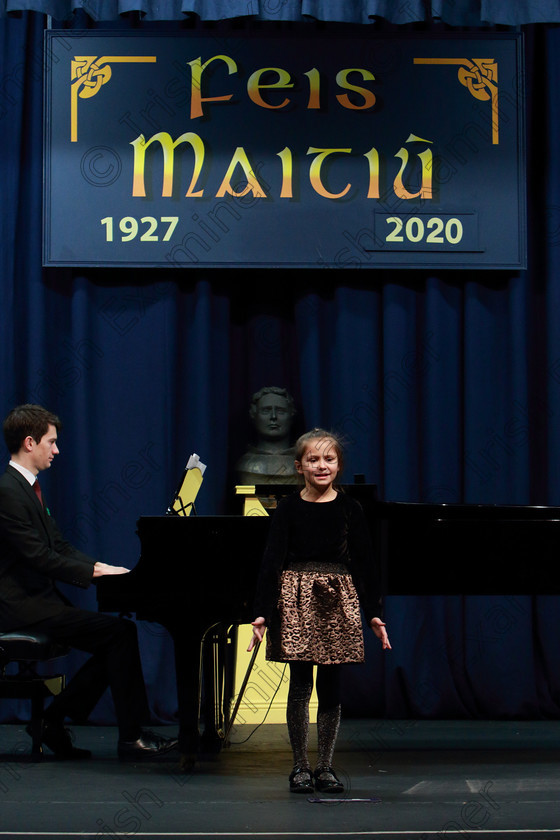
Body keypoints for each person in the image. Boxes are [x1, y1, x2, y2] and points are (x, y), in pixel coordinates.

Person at [0, 404, 178, 761]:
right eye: (51, 442)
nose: (57, 450)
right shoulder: (8, 491)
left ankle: (54, 720)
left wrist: (103, 566)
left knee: (117, 637)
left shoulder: (27, 487)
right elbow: (40, 557)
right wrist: (97, 574)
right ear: (29, 442)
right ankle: (128, 736)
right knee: (118, 635)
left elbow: (59, 546)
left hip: (36, 601)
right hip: (19, 607)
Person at [248, 427, 390, 794]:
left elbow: (365, 563)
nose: (322, 465)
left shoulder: (349, 508)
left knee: (331, 685)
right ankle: (299, 766)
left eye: (329, 458)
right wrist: (262, 611)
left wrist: (373, 612)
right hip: (296, 600)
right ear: (300, 466)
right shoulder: (289, 508)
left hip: (336, 601)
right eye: (313, 459)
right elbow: (271, 562)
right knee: (300, 684)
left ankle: (325, 766)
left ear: (339, 465)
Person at [236, 386, 298, 485]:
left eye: (280, 411)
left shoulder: (302, 463)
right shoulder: (245, 463)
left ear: (291, 415)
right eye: (266, 411)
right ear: (254, 415)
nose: (273, 416)